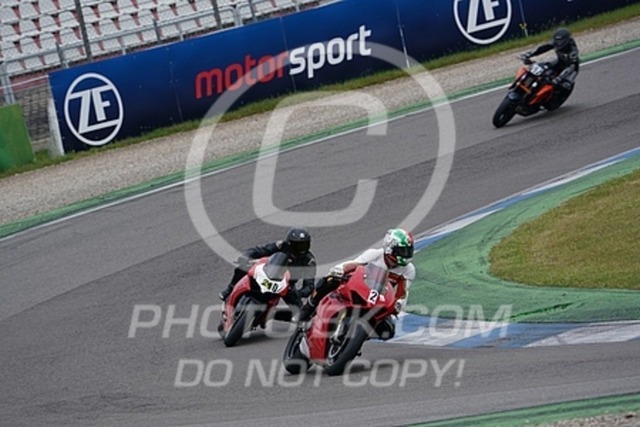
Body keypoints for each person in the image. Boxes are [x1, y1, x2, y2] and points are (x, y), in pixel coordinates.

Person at [298, 228, 416, 340]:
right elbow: (354, 264)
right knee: (330, 280)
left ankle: (356, 340)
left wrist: (398, 305)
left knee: (388, 331)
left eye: (408, 250)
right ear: (390, 248)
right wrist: (340, 269)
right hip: (360, 287)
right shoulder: (374, 254)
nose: (406, 254)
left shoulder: (409, 270)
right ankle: (309, 306)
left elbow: (402, 293)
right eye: (402, 251)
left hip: (378, 300)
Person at [218, 227, 317, 310]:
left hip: (286, 285)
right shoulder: (281, 246)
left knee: (301, 311)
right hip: (268, 272)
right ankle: (230, 289)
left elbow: (309, 285)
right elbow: (261, 250)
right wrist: (246, 256)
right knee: (242, 268)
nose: (301, 249)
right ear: (290, 243)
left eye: (304, 245)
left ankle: (275, 319)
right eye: (298, 246)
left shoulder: (309, 261)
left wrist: (299, 293)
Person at [522, 27, 580, 97]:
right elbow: (543, 48)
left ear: (566, 40)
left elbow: (571, 67)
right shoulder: (555, 42)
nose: (558, 43)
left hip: (570, 68)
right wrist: (530, 54)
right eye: (557, 40)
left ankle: (552, 99)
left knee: (565, 86)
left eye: (561, 41)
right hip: (560, 61)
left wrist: (559, 78)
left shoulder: (573, 51)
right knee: (543, 67)